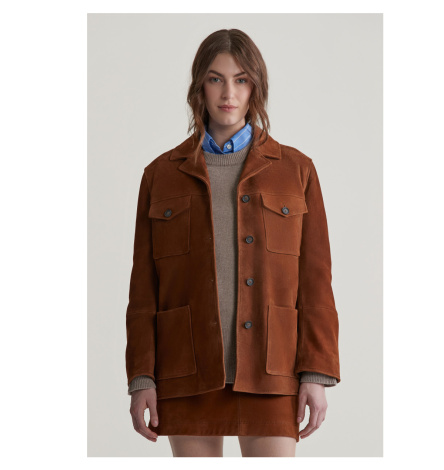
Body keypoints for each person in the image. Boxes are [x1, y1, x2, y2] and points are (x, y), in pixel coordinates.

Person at [125, 28, 341, 457]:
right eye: (216, 79)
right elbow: (144, 288)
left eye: (241, 80)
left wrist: (315, 373)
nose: (228, 93)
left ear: (255, 87)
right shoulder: (161, 175)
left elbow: (316, 280)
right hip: (186, 371)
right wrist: (141, 377)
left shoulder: (296, 170)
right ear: (199, 87)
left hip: (272, 371)